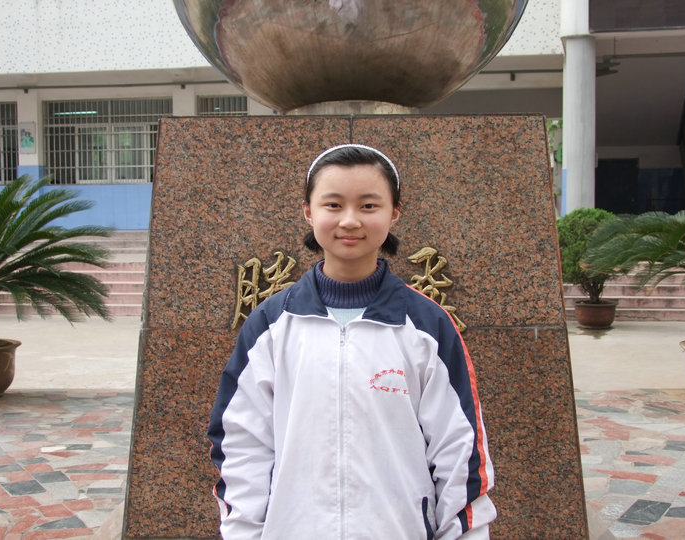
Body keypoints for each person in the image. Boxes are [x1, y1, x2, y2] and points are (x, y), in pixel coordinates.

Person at [208, 144, 496, 539]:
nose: (349, 220)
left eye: (368, 206)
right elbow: (242, 444)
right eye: (333, 204)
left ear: (394, 213)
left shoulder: (427, 326)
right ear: (308, 211)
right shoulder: (271, 325)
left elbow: (459, 450)